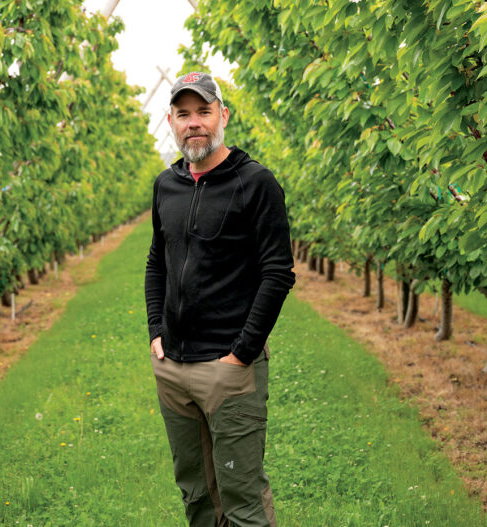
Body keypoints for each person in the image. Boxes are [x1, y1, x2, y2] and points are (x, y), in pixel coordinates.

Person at [144, 71, 295, 527]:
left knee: (242, 499)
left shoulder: (255, 183)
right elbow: (157, 262)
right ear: (171, 121)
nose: (195, 123)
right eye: (184, 114)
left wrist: (242, 353)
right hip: (173, 369)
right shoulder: (165, 186)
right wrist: (156, 333)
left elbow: (278, 272)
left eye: (204, 111)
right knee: (196, 497)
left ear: (222, 115)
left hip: (228, 371)